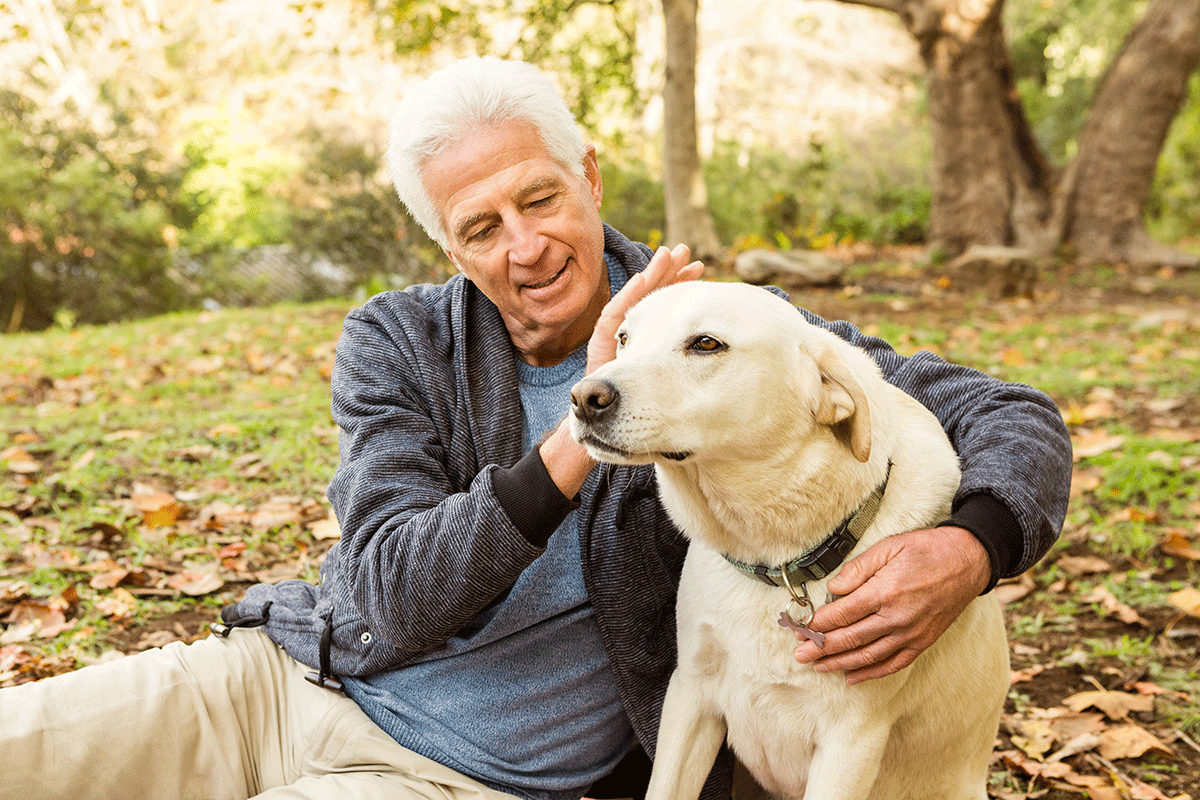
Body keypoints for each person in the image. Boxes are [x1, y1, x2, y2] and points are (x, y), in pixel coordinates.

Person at [0, 56, 1072, 800]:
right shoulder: (400, 340)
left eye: (540, 198)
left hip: (444, 773)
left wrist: (970, 543)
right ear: (450, 248)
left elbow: (1006, 410)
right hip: (279, 679)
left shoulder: (724, 341)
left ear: (590, 177)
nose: (525, 246)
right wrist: (582, 431)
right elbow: (389, 591)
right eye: (481, 227)